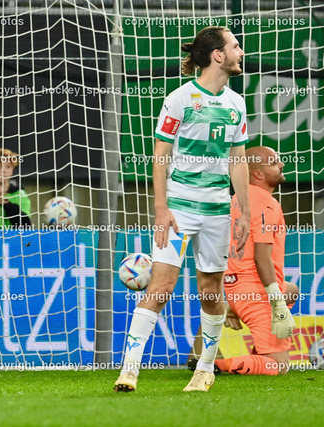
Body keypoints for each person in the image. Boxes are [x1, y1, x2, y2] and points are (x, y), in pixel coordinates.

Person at [114, 26, 251, 393]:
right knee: (160, 288)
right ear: (218, 56)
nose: (241, 52)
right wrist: (161, 208)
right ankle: (129, 370)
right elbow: (160, 156)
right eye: (235, 46)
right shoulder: (180, 98)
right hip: (179, 209)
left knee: (210, 292)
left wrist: (246, 212)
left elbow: (237, 159)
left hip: (219, 212)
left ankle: (204, 369)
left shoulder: (236, 102)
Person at [212, 146, 298, 375]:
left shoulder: (236, 200)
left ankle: (230, 310)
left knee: (292, 290)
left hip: (236, 286)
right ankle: (217, 366)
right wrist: (277, 303)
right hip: (257, 291)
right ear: (258, 174)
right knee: (279, 368)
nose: (281, 165)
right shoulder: (266, 203)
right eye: (274, 162)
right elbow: (262, 258)